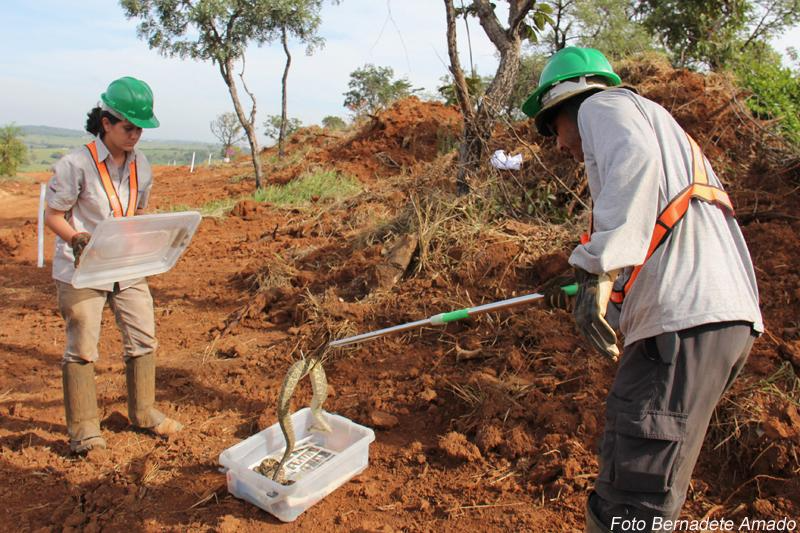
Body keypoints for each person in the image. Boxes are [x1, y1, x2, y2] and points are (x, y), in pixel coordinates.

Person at [522, 48, 763, 532]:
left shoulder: (602, 106)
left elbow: (634, 163)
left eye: (551, 128)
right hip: (717, 322)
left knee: (631, 503)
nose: (557, 144)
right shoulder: (656, 125)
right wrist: (588, 282)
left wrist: (595, 267)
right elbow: (653, 229)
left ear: (566, 103)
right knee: (651, 494)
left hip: (683, 324)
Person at [45, 76, 182, 454]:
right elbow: (54, 215)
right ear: (106, 122)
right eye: (128, 127)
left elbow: (137, 214)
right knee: (83, 347)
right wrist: (75, 238)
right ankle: (85, 430)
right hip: (82, 268)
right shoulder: (75, 165)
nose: (135, 135)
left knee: (143, 337)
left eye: (140, 128)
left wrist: (153, 240)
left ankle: (143, 412)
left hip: (126, 265)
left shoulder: (143, 166)